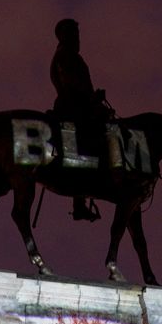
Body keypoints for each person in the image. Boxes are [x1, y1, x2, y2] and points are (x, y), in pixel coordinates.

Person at [50, 18, 110, 221]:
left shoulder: (72, 56)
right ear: (64, 36)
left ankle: (81, 200)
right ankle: (81, 200)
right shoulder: (66, 56)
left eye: (77, 34)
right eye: (73, 34)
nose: (77, 38)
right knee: (90, 141)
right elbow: (73, 84)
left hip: (78, 105)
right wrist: (93, 99)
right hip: (72, 107)